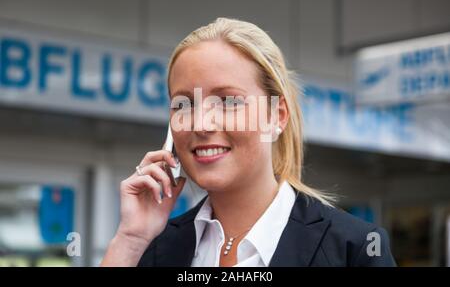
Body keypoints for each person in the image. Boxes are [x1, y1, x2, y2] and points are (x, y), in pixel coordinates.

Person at [101, 18, 396, 267]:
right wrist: (130, 240)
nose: (201, 124)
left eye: (228, 101)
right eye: (184, 104)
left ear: (277, 116)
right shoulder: (155, 248)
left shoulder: (354, 249)